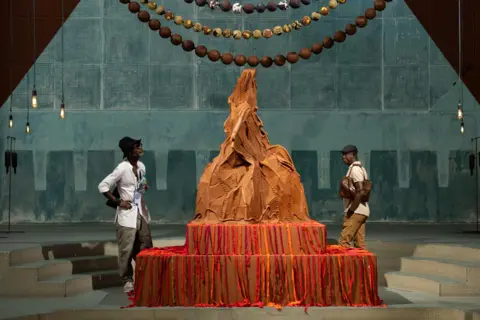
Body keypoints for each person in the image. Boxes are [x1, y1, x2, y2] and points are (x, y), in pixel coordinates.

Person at [98, 137, 152, 293]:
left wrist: (143, 186)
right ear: (129, 151)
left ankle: (146, 277)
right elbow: (103, 186)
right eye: (137, 146)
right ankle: (127, 280)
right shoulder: (122, 168)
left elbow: (141, 186)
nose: (140, 148)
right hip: (126, 215)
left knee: (145, 246)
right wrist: (117, 201)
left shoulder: (141, 166)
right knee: (126, 249)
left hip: (141, 212)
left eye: (140, 145)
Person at [338, 144, 369, 249]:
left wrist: (351, 210)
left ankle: (345, 265)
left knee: (344, 241)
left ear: (354, 154)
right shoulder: (360, 168)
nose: (344, 157)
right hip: (362, 211)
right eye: (343, 154)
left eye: (346, 154)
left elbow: (360, 192)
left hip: (356, 212)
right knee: (360, 245)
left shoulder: (355, 170)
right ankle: (363, 265)